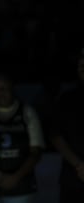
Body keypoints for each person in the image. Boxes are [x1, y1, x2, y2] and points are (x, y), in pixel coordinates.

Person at [0, 73, 46, 203]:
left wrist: (15, 178)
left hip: (21, 186)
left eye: (5, 88)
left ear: (12, 89)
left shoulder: (26, 112)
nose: (1, 93)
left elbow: (36, 151)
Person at [49, 51, 84, 203]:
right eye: (81, 65)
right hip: (74, 177)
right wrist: (79, 165)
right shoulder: (67, 99)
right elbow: (55, 135)